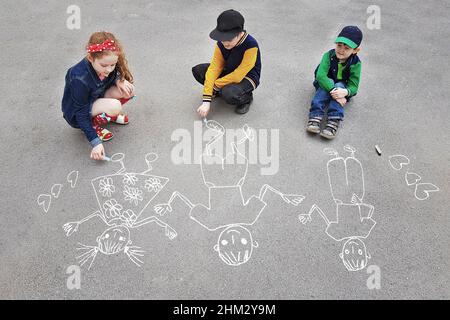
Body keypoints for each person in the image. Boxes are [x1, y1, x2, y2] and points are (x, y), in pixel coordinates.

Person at [62, 31, 135, 160]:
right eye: (104, 65)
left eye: (112, 65)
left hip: (97, 96)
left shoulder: (108, 62)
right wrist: (95, 142)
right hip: (78, 113)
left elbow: (114, 72)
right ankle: (94, 125)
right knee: (115, 106)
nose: (109, 69)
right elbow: (80, 111)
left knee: (128, 89)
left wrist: (119, 79)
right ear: (91, 58)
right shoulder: (78, 77)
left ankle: (107, 114)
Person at [192, 9, 261, 116]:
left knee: (228, 93)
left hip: (247, 77)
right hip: (229, 71)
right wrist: (206, 100)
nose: (224, 42)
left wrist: (214, 86)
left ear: (240, 33)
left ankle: (246, 98)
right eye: (222, 38)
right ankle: (221, 90)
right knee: (198, 71)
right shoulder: (221, 43)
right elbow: (215, 68)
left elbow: (238, 75)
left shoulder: (251, 45)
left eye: (228, 39)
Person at [306, 26, 363, 139]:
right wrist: (333, 91)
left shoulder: (356, 64)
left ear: (355, 50)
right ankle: (315, 117)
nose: (341, 50)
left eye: (346, 48)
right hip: (325, 83)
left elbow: (354, 86)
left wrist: (346, 92)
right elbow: (320, 76)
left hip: (342, 88)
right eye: (339, 45)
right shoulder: (328, 55)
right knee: (326, 86)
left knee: (340, 85)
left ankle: (333, 121)